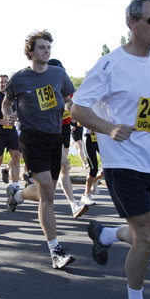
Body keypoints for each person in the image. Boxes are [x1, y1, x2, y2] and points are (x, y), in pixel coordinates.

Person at [71, 0, 150, 299]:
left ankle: (105, 234)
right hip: (123, 164)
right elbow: (77, 108)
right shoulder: (110, 65)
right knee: (146, 236)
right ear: (132, 24)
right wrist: (108, 128)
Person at [2, 30, 76, 269]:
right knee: (47, 191)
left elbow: (68, 97)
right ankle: (55, 249)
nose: (47, 51)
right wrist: (8, 114)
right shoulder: (19, 78)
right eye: (42, 47)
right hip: (32, 138)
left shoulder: (59, 74)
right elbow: (6, 100)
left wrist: (72, 107)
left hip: (55, 136)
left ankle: (18, 194)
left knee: (48, 192)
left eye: (48, 47)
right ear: (31, 52)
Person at [48, 59, 88, 219]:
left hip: (64, 129)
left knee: (61, 170)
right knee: (64, 165)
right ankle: (73, 204)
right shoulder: (46, 89)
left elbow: (73, 107)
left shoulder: (68, 89)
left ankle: (19, 195)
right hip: (49, 131)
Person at [80, 127, 103, 205]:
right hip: (89, 137)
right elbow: (80, 122)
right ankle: (86, 195)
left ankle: (95, 179)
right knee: (94, 169)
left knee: (110, 165)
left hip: (101, 137)